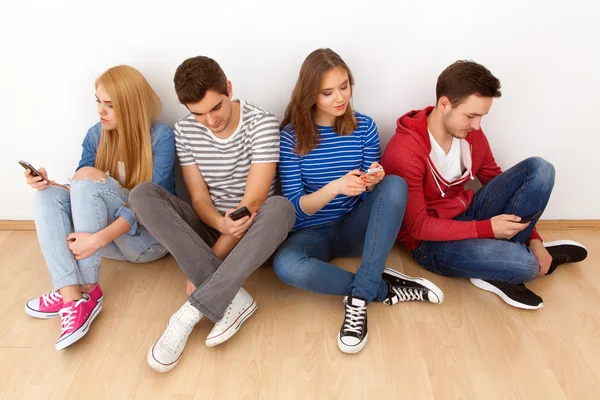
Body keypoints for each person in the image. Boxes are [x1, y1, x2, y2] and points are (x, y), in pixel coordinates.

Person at [273, 48, 444, 355]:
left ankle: (358, 301)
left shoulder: (364, 126)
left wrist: (373, 179)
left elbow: (373, 192)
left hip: (356, 229)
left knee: (394, 183)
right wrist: (336, 187)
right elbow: (296, 209)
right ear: (311, 94)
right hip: (312, 233)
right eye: (328, 92)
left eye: (344, 86)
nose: (340, 98)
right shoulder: (290, 137)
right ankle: (376, 284)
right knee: (285, 265)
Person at [130, 56, 295, 372]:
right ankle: (234, 298)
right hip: (211, 226)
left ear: (228, 89)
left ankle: (190, 312)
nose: (210, 120)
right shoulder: (185, 130)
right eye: (199, 114)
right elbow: (199, 197)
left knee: (280, 209)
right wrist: (220, 224)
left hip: (254, 231)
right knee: (142, 195)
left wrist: (212, 261)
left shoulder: (262, 123)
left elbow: (255, 200)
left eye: (216, 108)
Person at [382, 60, 588, 310]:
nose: (477, 125)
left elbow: (497, 180)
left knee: (541, 170)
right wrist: (487, 229)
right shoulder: (405, 151)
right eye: (471, 115)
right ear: (445, 104)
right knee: (528, 267)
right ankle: (514, 261)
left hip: (468, 214)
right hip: (430, 244)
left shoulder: (470, 133)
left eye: (482, 116)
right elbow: (417, 226)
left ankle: (508, 258)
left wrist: (534, 238)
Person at [24, 65, 175, 350]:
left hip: (146, 241)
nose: (100, 111)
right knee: (48, 196)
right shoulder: (96, 135)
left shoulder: (161, 137)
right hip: (101, 243)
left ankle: (89, 290)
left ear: (130, 105)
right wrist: (49, 184)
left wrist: (96, 240)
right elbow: (80, 193)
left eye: (110, 104)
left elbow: (152, 204)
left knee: (86, 180)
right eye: (98, 101)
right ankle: (70, 294)